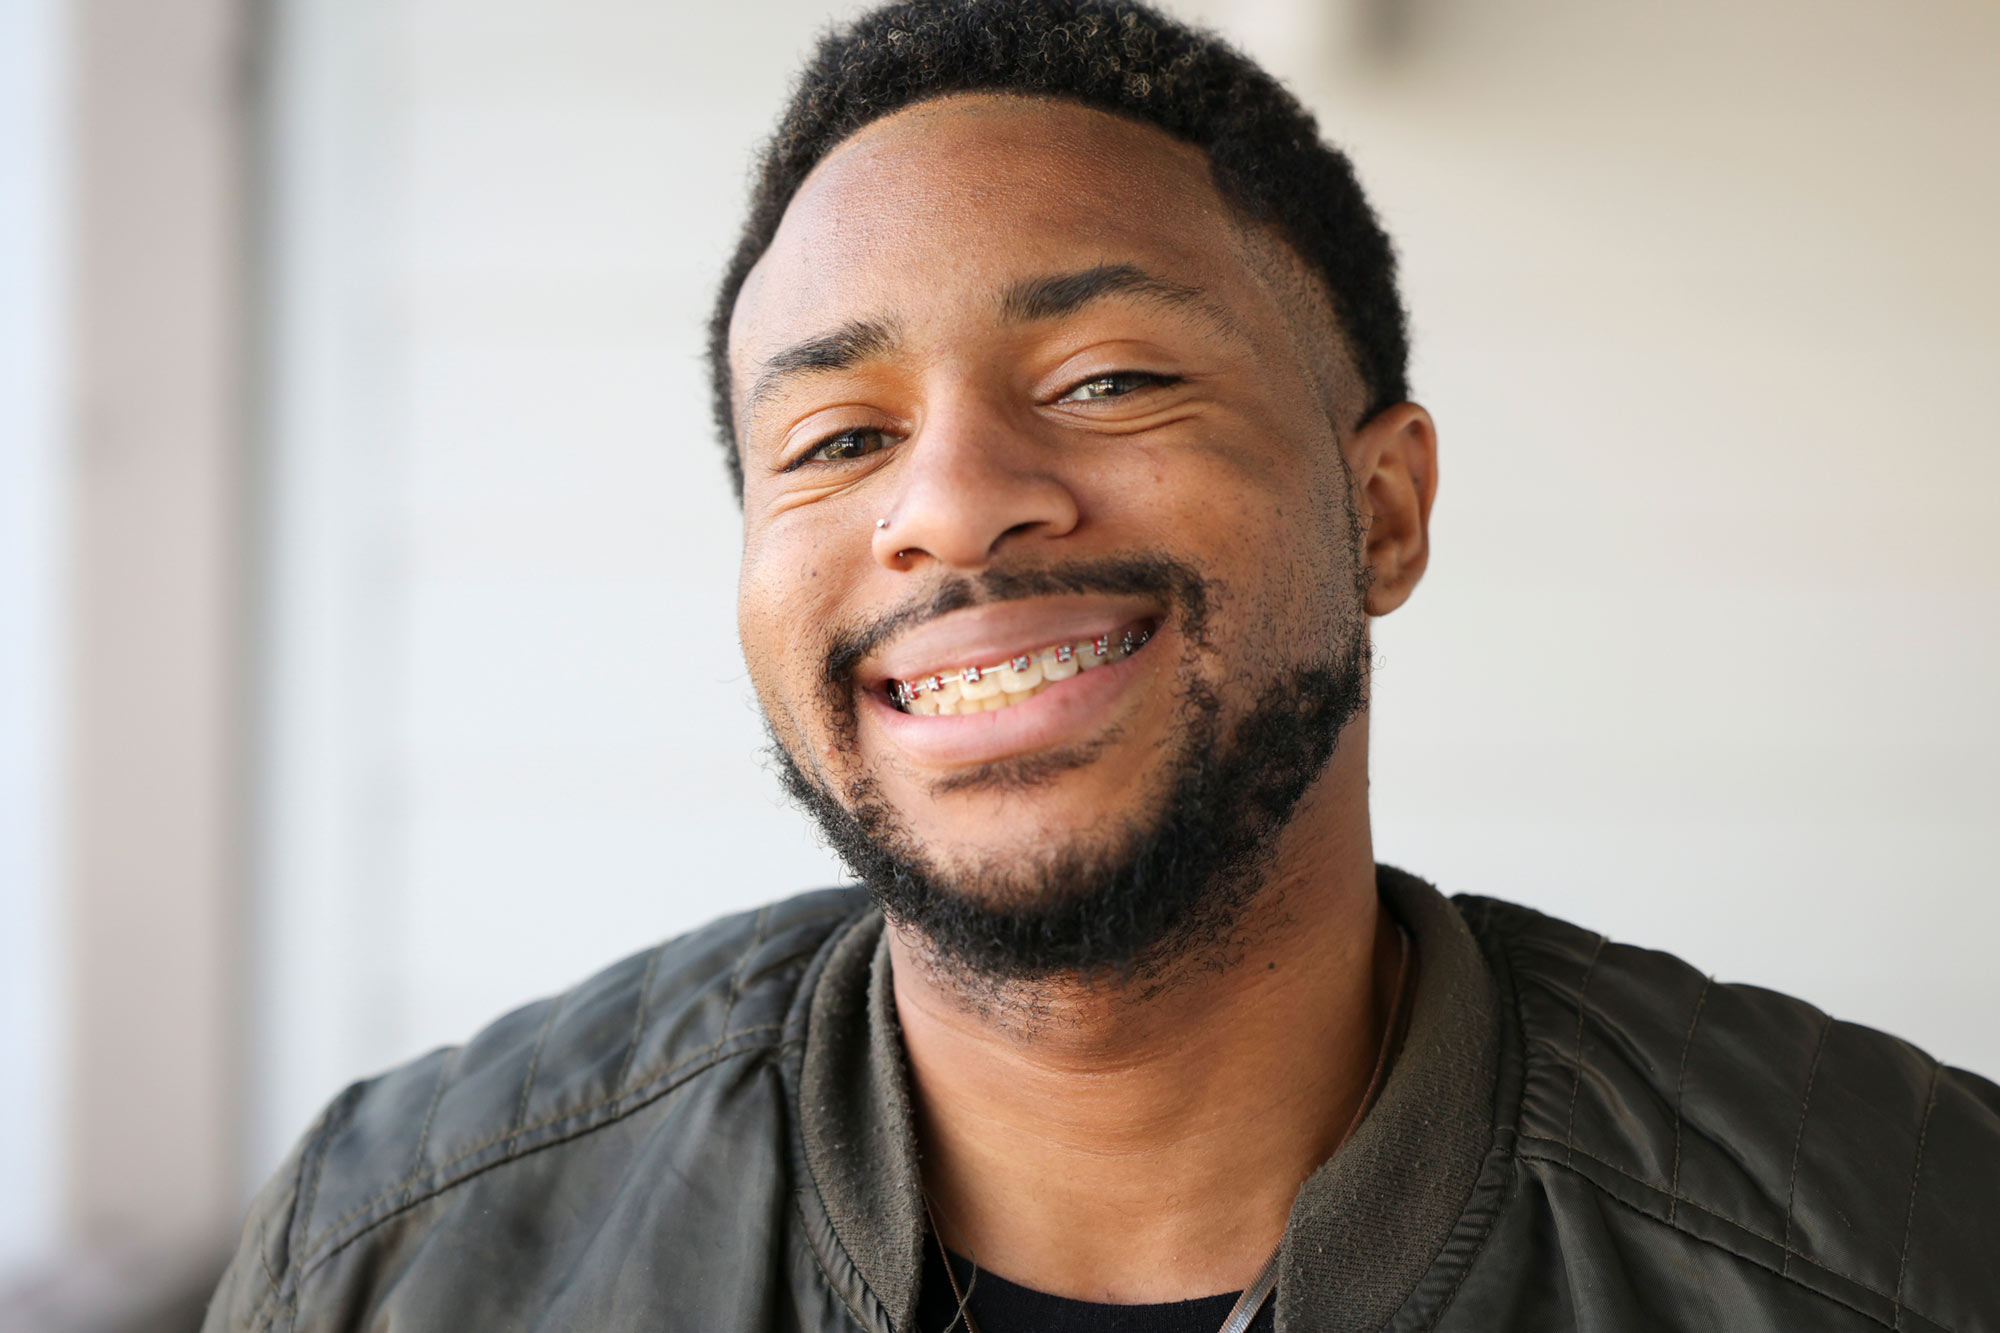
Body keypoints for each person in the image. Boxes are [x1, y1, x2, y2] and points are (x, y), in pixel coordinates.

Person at [204, 2, 2000, 1330]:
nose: (953, 508)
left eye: (1110, 381)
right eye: (834, 437)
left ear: (1383, 510)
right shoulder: (408, 1250)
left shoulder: (1906, 1249)